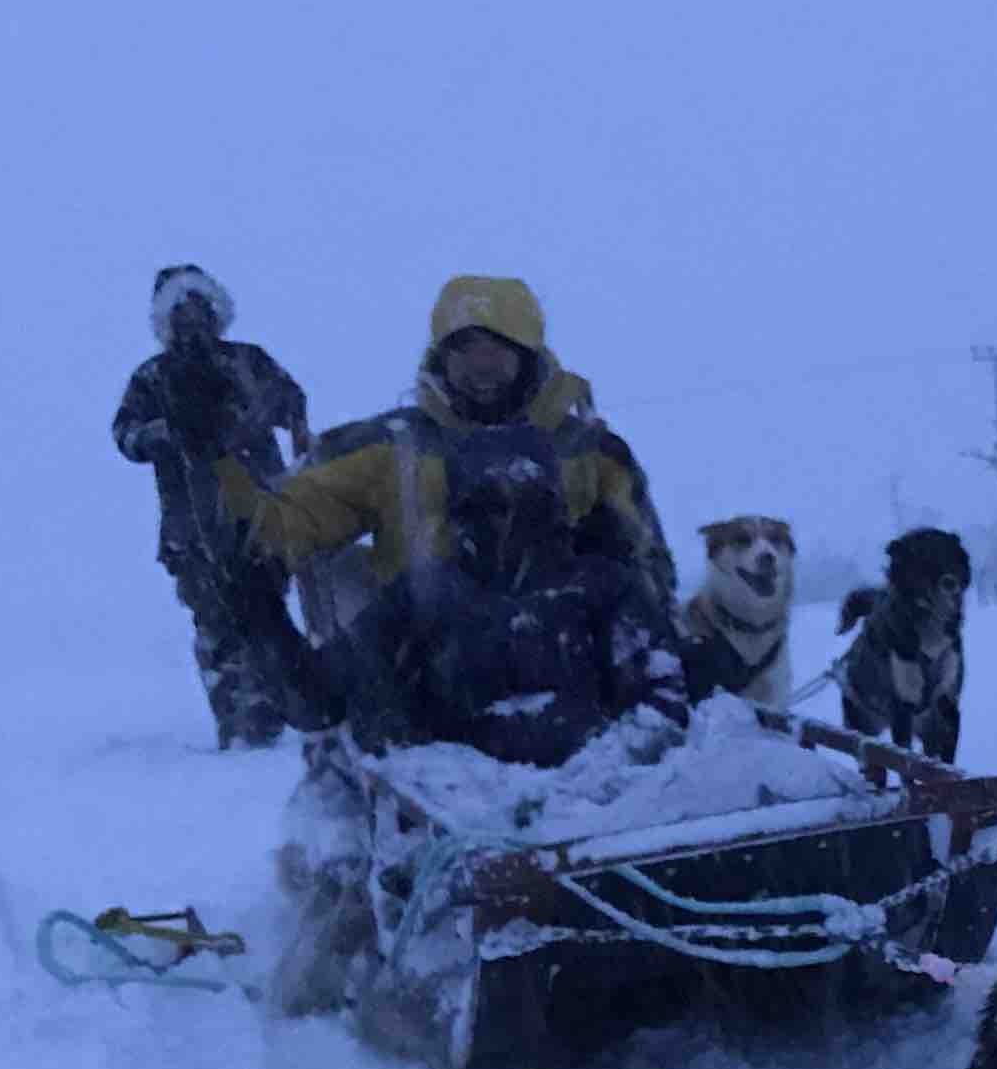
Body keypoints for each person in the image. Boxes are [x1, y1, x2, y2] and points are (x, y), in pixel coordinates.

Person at [225, 274, 675, 626]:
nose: (482, 367)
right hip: (427, 656)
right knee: (338, 571)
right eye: (465, 350)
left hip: (563, 646)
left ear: (529, 358)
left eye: (498, 350)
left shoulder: (589, 450)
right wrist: (232, 487)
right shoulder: (392, 447)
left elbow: (645, 556)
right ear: (441, 359)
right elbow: (294, 520)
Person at [300, 415, 687, 764]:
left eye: (527, 505)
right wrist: (266, 623)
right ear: (460, 512)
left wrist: (614, 769)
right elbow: (329, 687)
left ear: (552, 505)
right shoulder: (424, 594)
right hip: (459, 807)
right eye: (486, 508)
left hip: (602, 802)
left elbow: (660, 694)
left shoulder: (601, 585)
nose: (505, 525)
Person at [111, 265, 312, 746]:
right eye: (179, 312)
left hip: (263, 511)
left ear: (216, 310)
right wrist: (166, 433)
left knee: (268, 610)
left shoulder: (248, 361)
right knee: (215, 619)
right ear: (165, 321)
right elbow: (125, 436)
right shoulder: (151, 377)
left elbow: (292, 403)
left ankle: (279, 708)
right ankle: (240, 722)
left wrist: (263, 418)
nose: (191, 320)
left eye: (199, 307)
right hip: (192, 525)